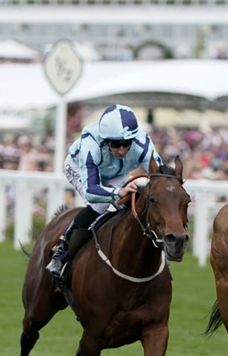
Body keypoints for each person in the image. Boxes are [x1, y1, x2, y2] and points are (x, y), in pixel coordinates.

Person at [45, 104, 163, 278]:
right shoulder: (90, 143)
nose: (121, 150)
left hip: (114, 172)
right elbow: (92, 190)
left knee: (136, 201)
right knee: (99, 204)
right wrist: (117, 193)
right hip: (79, 168)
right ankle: (61, 251)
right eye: (115, 144)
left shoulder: (142, 142)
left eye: (126, 144)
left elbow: (160, 176)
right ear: (106, 139)